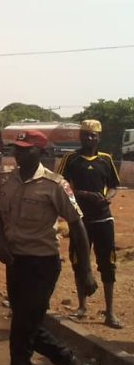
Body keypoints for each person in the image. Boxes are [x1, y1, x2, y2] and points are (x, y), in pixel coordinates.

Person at [0, 130, 102, 365]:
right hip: (16, 263)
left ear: (41, 153)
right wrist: (1, 244)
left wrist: (86, 272)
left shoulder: (56, 185)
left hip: (43, 264)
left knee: (22, 328)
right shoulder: (5, 180)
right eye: (17, 148)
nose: (19, 153)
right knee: (28, 326)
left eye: (27, 149)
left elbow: (77, 227)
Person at [57, 120, 123, 328]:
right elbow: (60, 185)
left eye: (93, 135)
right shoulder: (71, 159)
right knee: (79, 261)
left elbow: (113, 186)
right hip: (79, 220)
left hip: (103, 218)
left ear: (99, 137)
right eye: (86, 134)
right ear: (80, 136)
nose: (89, 138)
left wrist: (108, 198)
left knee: (108, 263)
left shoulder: (106, 160)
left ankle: (110, 313)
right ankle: (82, 307)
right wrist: (81, 194)